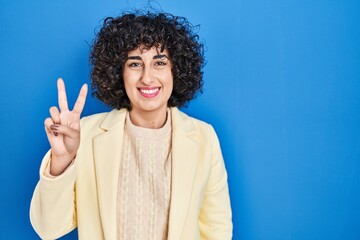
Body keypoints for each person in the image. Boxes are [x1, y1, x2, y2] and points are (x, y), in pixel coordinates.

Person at [30, 11, 232, 240]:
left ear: (176, 70)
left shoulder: (204, 137)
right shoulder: (83, 134)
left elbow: (217, 230)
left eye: (160, 62)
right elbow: (48, 228)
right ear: (119, 72)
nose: (147, 77)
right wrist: (62, 161)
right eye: (135, 63)